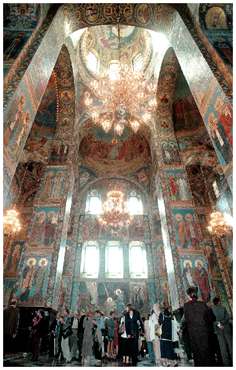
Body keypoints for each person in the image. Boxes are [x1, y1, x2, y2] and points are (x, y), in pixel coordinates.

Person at [183, 286, 216, 366]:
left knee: (197, 352)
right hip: (203, 332)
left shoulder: (186, 306)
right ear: (196, 294)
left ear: (189, 296)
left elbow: (186, 320)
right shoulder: (203, 305)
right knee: (206, 351)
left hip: (193, 334)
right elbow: (212, 318)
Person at [212, 297, 232, 366]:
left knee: (222, 347)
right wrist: (223, 323)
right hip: (226, 328)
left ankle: (226, 363)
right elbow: (228, 317)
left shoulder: (212, 310)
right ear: (218, 302)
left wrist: (219, 325)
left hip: (219, 330)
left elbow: (213, 321)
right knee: (230, 345)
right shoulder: (223, 308)